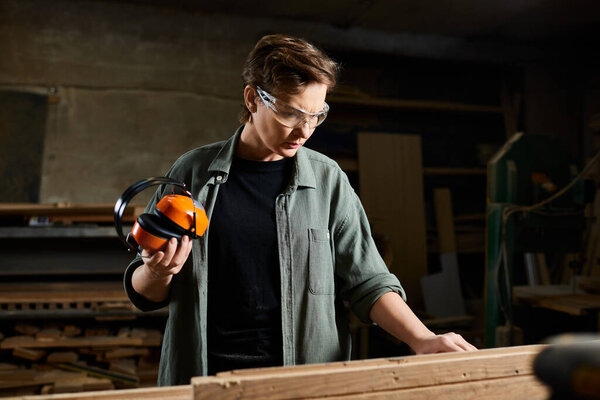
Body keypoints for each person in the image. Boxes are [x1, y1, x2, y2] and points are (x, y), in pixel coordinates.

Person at [124, 34, 477, 386]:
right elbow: (145, 292)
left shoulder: (327, 180)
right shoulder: (192, 173)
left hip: (304, 381)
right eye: (291, 113)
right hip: (207, 378)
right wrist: (158, 272)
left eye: (316, 115)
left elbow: (367, 281)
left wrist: (422, 338)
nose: (305, 130)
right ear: (252, 99)